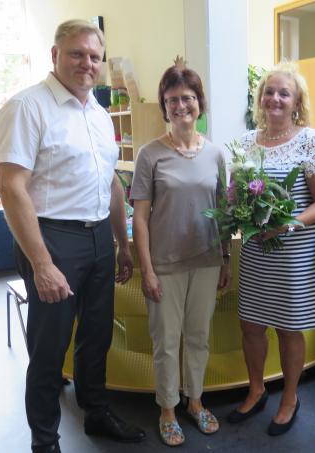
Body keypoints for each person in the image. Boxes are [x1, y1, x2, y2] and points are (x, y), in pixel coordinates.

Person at [0, 19, 146, 453]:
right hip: (52, 239)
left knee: (96, 336)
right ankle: (45, 442)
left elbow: (112, 183)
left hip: (99, 236)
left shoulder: (97, 113)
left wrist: (121, 243)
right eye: (77, 53)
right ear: (55, 55)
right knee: (49, 349)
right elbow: (11, 187)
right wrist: (42, 263)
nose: (87, 63)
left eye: (94, 56)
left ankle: (95, 413)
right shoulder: (28, 107)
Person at [227, 62, 315, 436]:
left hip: (293, 256)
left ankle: (289, 397)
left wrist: (287, 224)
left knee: (290, 329)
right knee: (251, 325)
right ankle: (257, 390)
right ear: (260, 99)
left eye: (283, 93)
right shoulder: (244, 142)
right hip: (257, 254)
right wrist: (240, 213)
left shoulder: (311, 141)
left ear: (296, 102)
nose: (275, 98)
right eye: (269, 92)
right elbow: (234, 193)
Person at [130, 60, 231, 447]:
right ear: (164, 105)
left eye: (187, 98)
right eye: (172, 99)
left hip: (206, 261)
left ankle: (195, 401)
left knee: (199, 336)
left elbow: (223, 211)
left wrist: (224, 258)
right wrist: (148, 270)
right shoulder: (150, 155)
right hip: (165, 266)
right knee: (167, 340)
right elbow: (140, 219)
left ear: (199, 104)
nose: (180, 106)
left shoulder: (217, 154)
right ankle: (167, 408)